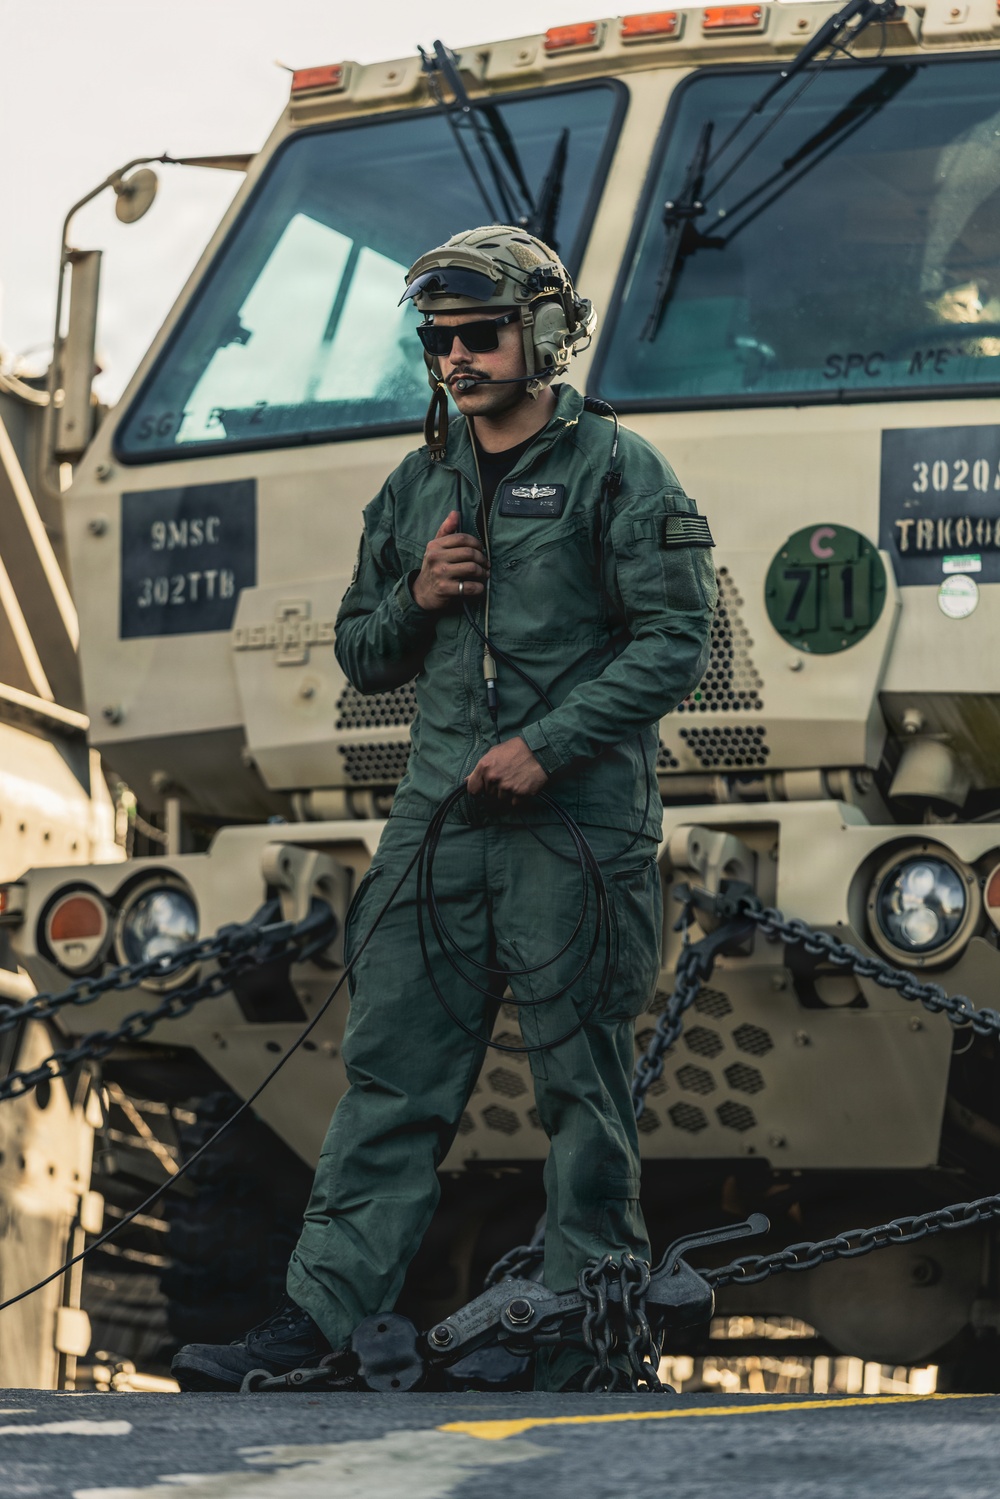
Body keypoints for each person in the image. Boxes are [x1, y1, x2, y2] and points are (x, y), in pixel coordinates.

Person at [172, 225, 717, 1393]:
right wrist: (417, 594)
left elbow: (677, 638)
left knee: (585, 1081)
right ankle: (315, 1324)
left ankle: (587, 1330)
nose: (456, 359)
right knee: (389, 1078)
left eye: (480, 334)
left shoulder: (619, 471)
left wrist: (548, 744)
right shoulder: (416, 487)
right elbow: (363, 652)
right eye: (437, 342)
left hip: (574, 825)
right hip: (437, 828)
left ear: (547, 335)